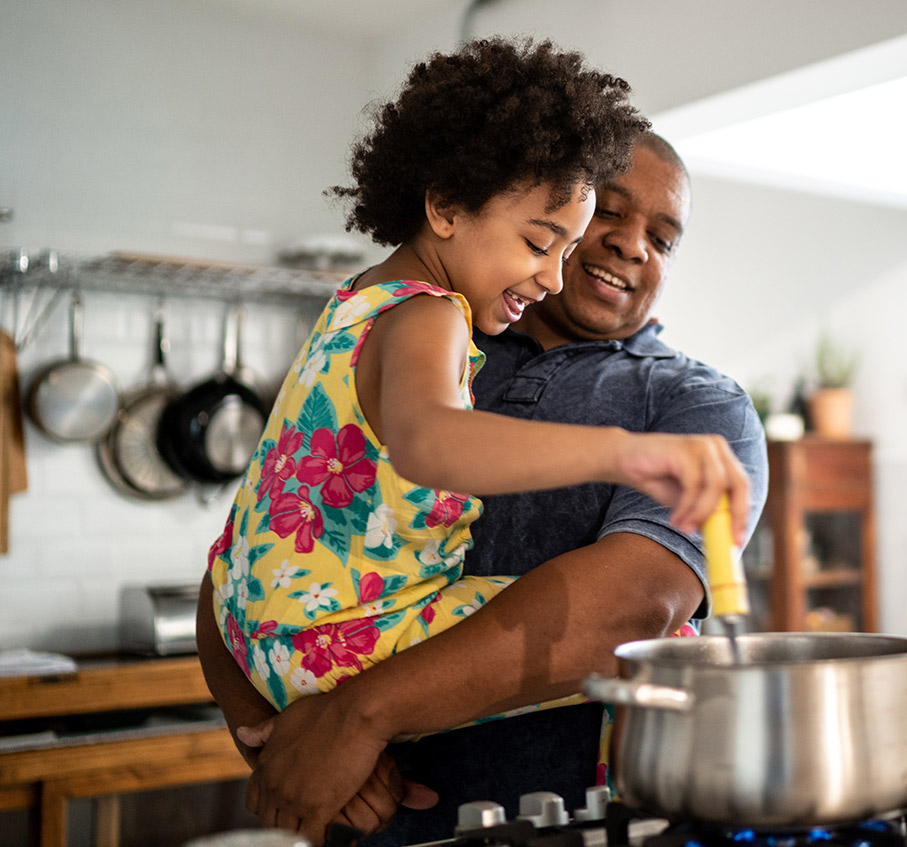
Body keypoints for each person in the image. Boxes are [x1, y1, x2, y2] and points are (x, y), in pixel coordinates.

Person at [197, 39, 753, 845]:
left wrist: (344, 720)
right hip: (328, 674)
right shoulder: (432, 320)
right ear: (448, 206)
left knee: (646, 623)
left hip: (284, 641)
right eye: (547, 239)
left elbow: (247, 551)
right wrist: (284, 740)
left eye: (662, 238)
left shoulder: (358, 306)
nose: (560, 272)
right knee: (670, 647)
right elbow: (431, 442)